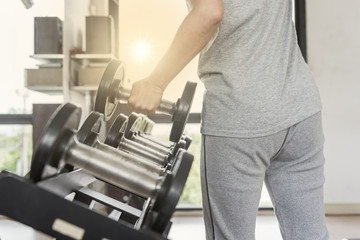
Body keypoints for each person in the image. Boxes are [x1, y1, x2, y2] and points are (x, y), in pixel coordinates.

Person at [128, 0, 329, 239]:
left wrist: (155, 82)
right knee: (310, 233)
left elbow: (210, 12)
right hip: (301, 108)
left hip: (239, 112)